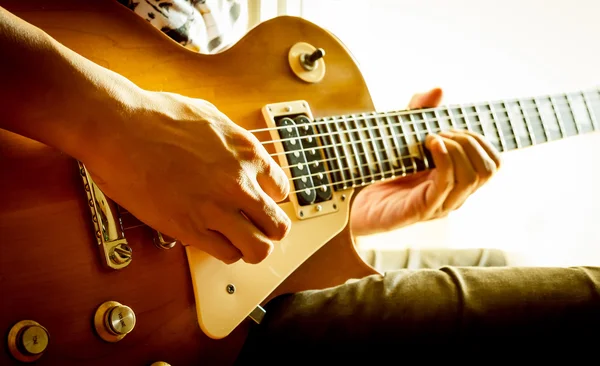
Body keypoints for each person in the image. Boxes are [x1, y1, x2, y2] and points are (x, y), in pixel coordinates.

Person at [1, 3, 598, 363]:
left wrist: (351, 212)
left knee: (497, 257)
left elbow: (210, 161)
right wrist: (115, 121)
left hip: (188, 279)